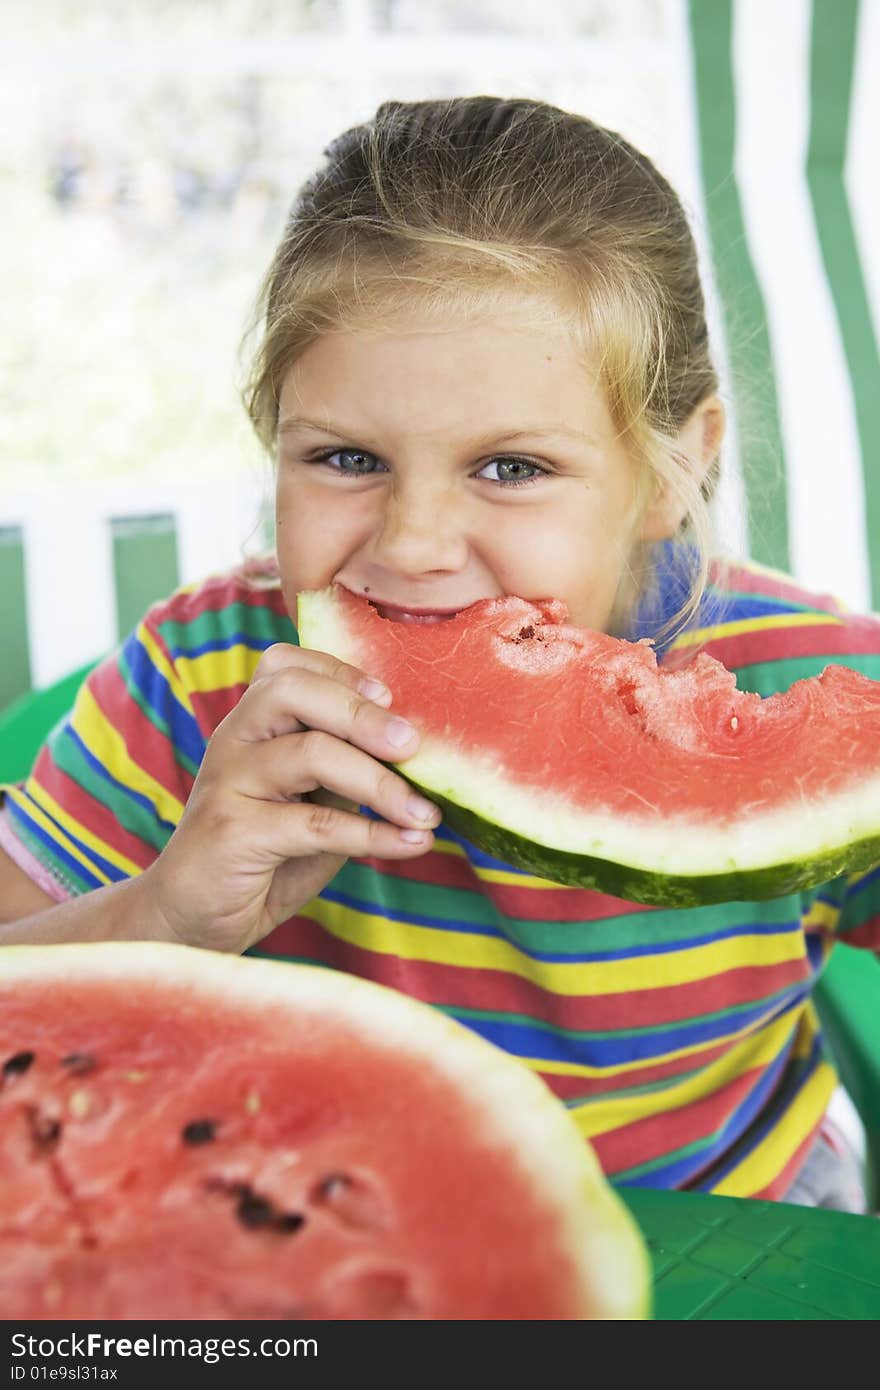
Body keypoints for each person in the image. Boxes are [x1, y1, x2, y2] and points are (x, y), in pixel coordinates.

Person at [0, 96, 875, 1212]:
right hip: (326, 1236)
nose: (411, 545)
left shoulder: (807, 674)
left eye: (510, 467)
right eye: (345, 456)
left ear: (673, 472)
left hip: (734, 1223)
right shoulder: (204, 674)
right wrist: (164, 914)